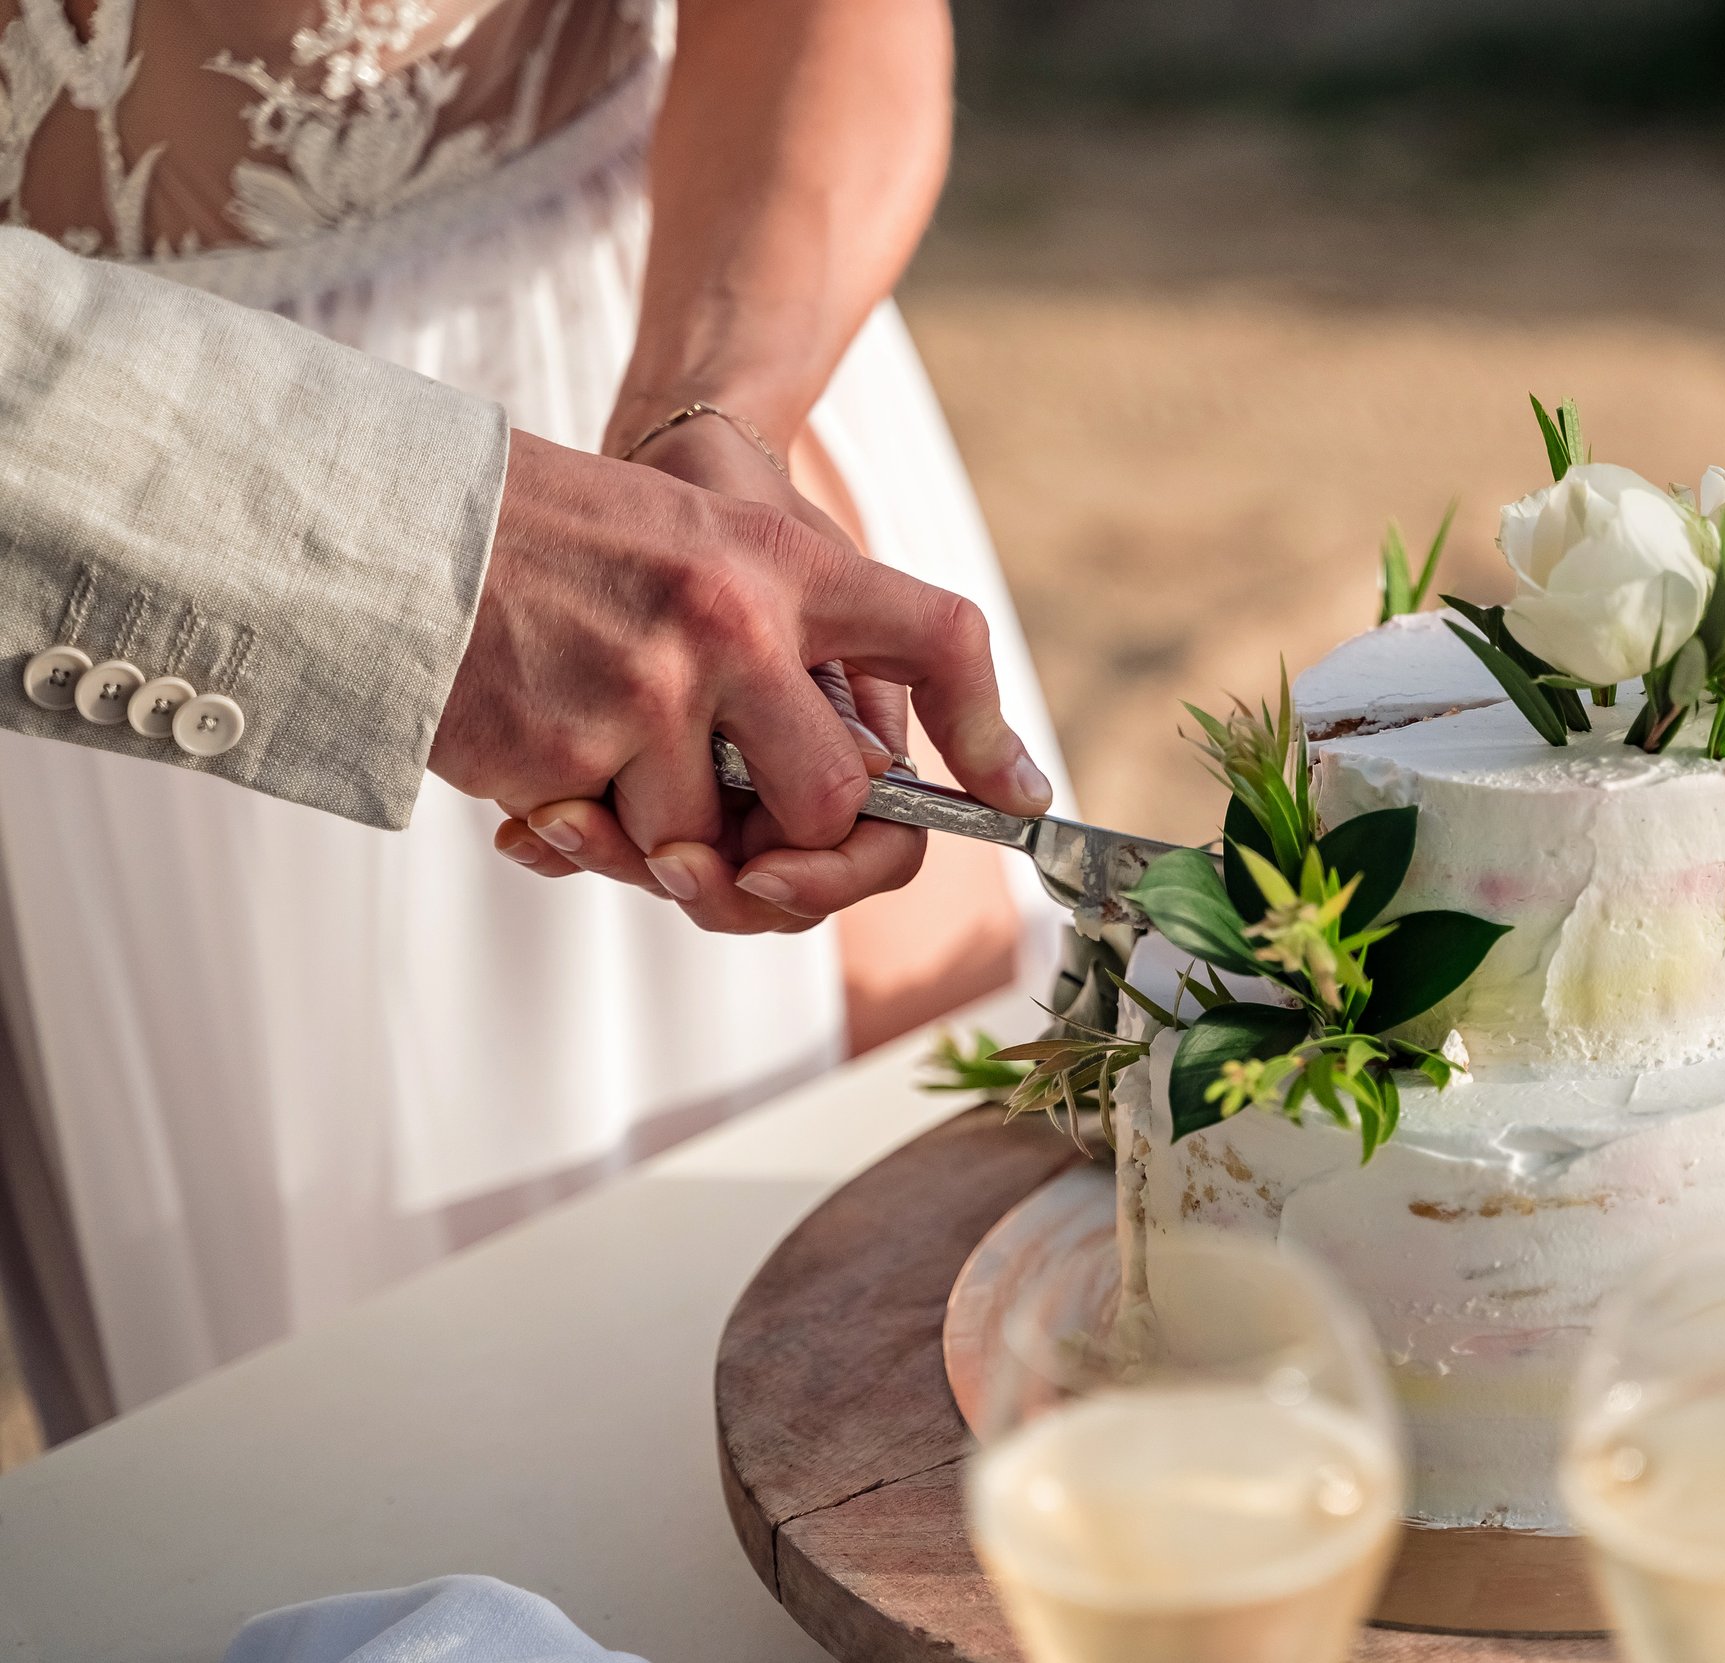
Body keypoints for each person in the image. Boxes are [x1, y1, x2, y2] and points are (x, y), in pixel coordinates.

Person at [0, 0, 1062, 1435]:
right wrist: (428, 562)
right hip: (134, 603)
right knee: (383, 1482)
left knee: (927, 1378)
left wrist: (716, 426)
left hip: (692, 403)